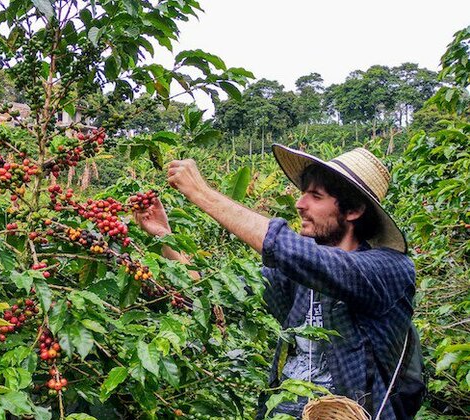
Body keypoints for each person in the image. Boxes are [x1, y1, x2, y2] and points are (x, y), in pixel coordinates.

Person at [134, 144, 424, 419]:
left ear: (353, 210)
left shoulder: (389, 269)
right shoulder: (299, 276)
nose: (299, 204)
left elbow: (293, 251)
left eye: (316, 196)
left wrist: (201, 192)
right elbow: (214, 294)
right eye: (303, 193)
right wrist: (164, 235)